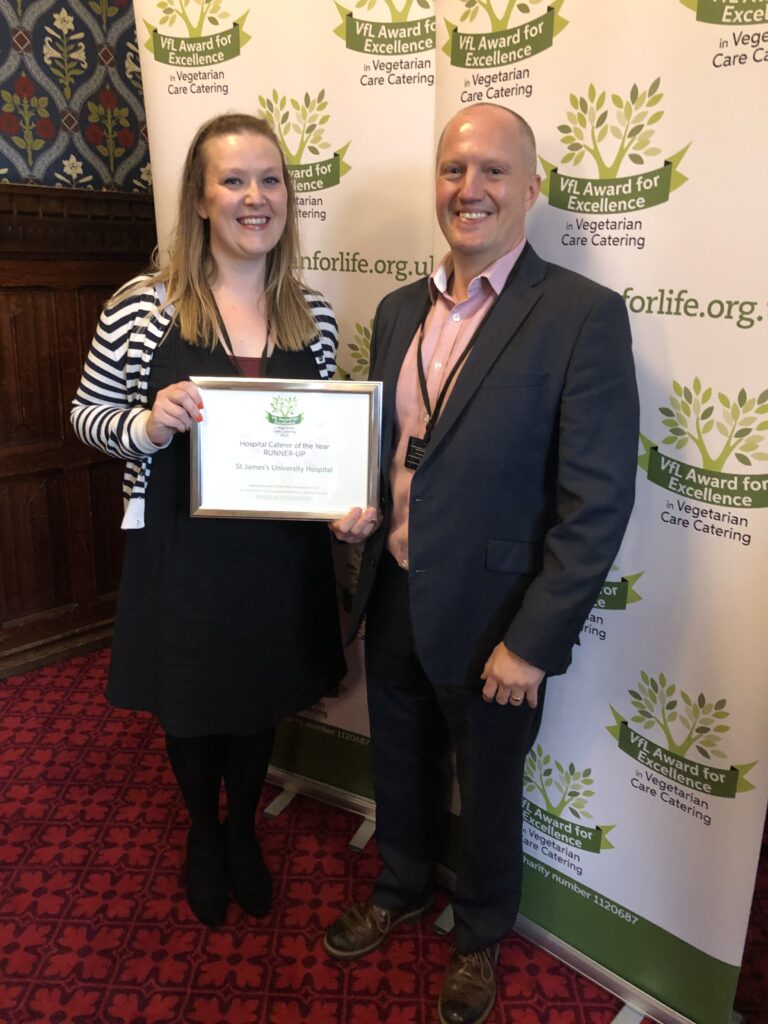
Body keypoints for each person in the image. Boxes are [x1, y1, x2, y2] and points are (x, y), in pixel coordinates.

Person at [324, 103, 639, 1024]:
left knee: (491, 788)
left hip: (499, 619)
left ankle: (481, 932)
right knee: (401, 761)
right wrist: (361, 514)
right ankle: (402, 885)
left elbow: (597, 503)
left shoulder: (582, 315)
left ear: (532, 188)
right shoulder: (394, 311)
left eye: (495, 171)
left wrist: (534, 644)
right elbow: (394, 450)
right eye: (455, 170)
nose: (472, 189)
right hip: (395, 593)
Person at [71, 112, 346, 928]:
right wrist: (147, 426)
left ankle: (245, 835)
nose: (254, 198)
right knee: (191, 700)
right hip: (180, 546)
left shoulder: (313, 314)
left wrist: (345, 503)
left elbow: (322, 441)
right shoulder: (142, 306)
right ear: (198, 198)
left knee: (257, 695)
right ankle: (204, 829)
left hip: (278, 550)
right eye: (233, 180)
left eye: (270, 180)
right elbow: (87, 414)